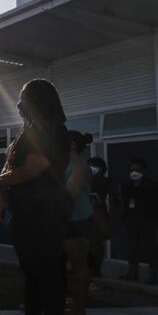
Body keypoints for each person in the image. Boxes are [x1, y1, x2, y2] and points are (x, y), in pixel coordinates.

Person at [0, 79, 71, 315]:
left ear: (39, 100)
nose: (20, 103)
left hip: (44, 214)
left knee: (47, 275)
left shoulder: (53, 131)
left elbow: (33, 167)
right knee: (32, 275)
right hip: (25, 214)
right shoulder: (30, 130)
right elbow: (13, 165)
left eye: (24, 97)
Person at [63, 131, 94, 315]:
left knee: (78, 265)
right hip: (65, 221)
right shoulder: (63, 165)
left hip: (79, 221)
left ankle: (79, 308)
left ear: (72, 144)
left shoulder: (80, 167)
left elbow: (68, 195)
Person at [118, 158, 158, 284]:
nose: (134, 172)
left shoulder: (152, 185)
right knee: (132, 247)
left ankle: (153, 274)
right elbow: (119, 201)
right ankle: (132, 272)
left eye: (138, 170)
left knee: (150, 247)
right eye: (132, 170)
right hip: (131, 220)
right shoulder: (126, 186)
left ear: (144, 171)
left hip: (148, 220)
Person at [87, 157, 110, 278]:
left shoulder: (103, 180)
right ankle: (90, 267)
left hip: (98, 214)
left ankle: (96, 268)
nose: (91, 168)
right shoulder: (87, 178)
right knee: (88, 243)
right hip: (87, 214)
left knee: (97, 244)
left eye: (93, 165)